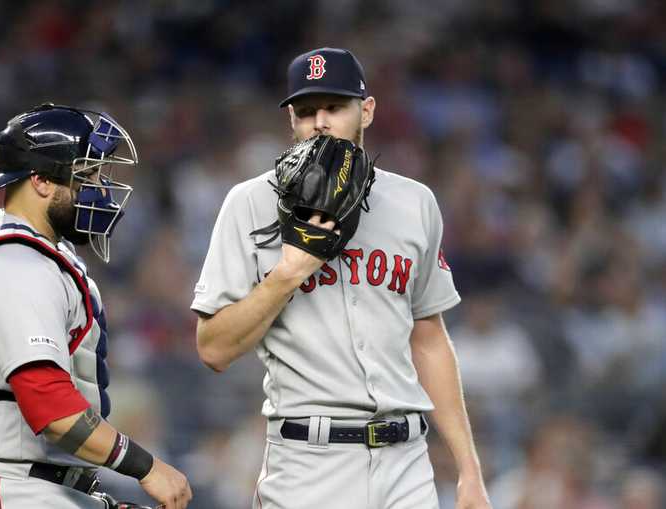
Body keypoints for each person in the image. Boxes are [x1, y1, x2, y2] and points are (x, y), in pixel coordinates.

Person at [192, 48, 492, 508]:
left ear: (366, 110)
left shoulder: (414, 203)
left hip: (406, 460)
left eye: (335, 107)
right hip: (310, 462)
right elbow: (213, 348)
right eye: (307, 111)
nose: (321, 122)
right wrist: (286, 275)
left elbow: (429, 337)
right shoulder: (250, 204)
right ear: (291, 118)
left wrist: (468, 468)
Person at [0, 103, 192, 509]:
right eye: (87, 175)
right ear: (41, 181)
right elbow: (50, 407)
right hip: (2, 488)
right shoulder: (16, 265)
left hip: (26, 486)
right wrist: (148, 467)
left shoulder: (33, 256)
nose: (101, 189)